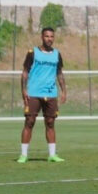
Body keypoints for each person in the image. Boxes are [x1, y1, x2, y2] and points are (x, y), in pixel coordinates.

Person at [18, 27, 67, 163]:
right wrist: (23, 89)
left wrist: (64, 90)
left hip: (51, 94)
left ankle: (52, 155)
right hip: (33, 92)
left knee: (50, 123)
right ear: (41, 37)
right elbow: (25, 72)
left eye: (51, 36)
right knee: (29, 122)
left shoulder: (57, 54)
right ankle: (23, 155)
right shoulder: (32, 52)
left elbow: (59, 73)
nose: (49, 39)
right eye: (47, 36)